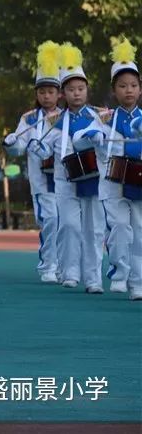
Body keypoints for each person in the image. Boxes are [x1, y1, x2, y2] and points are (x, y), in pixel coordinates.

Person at [30, 44, 109, 293]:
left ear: (87, 90)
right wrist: (36, 146)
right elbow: (46, 151)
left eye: (81, 89)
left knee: (94, 229)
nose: (77, 94)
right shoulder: (55, 120)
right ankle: (70, 272)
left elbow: (108, 148)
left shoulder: (99, 116)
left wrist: (100, 139)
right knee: (69, 226)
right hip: (65, 180)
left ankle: (94, 278)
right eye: (72, 89)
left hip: (94, 179)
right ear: (63, 93)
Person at [72, 38, 140, 299]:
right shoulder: (106, 119)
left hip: (139, 183)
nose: (129, 90)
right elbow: (80, 139)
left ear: (140, 89)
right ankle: (120, 272)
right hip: (114, 185)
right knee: (120, 229)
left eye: (133, 85)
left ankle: (138, 282)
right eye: (123, 86)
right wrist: (94, 136)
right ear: (114, 90)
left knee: (141, 234)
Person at [3, 41, 63, 283]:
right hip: (41, 181)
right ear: (36, 94)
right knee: (50, 221)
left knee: (68, 224)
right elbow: (18, 146)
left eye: (51, 91)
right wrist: (11, 142)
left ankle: (65, 266)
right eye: (42, 92)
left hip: (65, 181)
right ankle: (48, 265)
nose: (46, 96)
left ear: (59, 93)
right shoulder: (28, 119)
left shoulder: (67, 118)